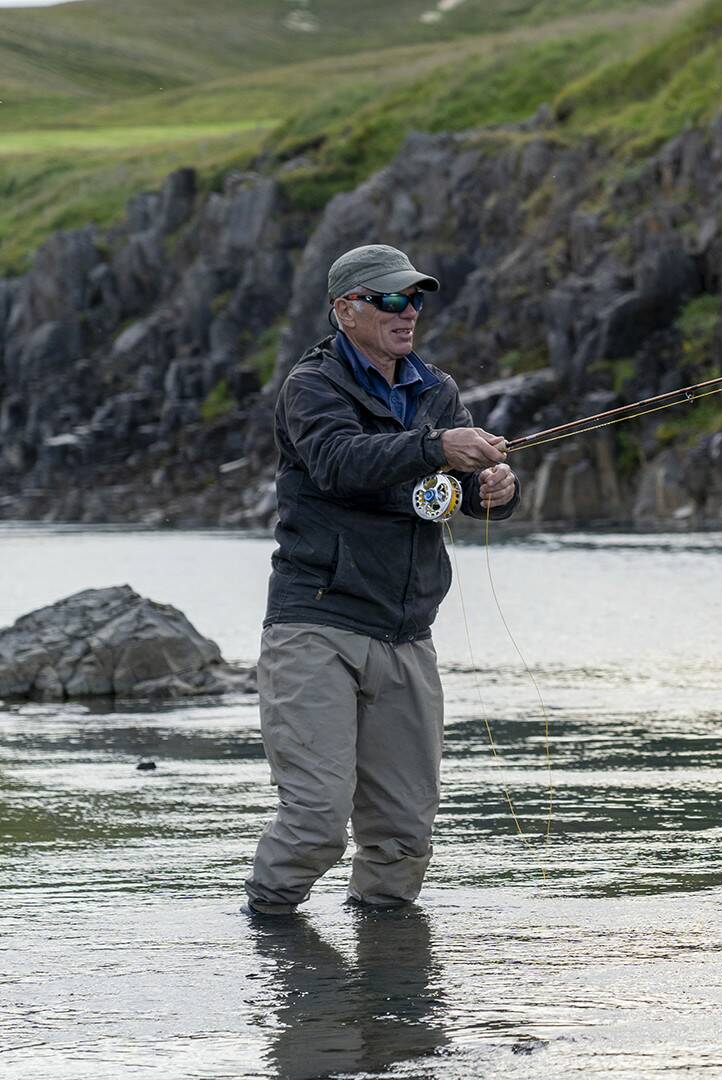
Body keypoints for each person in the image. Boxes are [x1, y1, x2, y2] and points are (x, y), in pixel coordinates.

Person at [244, 243, 519, 916]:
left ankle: (389, 997)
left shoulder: (436, 391)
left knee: (402, 838)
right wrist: (437, 446)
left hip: (406, 634)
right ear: (346, 310)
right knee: (315, 821)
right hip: (316, 625)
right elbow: (339, 462)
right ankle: (269, 945)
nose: (408, 313)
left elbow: (449, 491)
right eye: (390, 300)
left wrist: (495, 492)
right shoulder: (311, 386)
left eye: (415, 299)